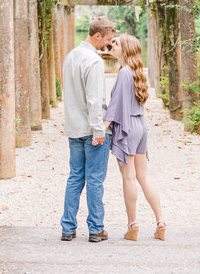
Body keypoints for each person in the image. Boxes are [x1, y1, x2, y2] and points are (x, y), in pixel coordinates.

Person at [103, 33, 165, 241]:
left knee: (129, 177)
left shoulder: (124, 73)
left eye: (117, 43)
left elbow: (115, 106)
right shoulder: (136, 72)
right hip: (140, 126)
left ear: (126, 49)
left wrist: (102, 128)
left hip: (128, 128)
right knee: (144, 176)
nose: (112, 44)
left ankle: (133, 225)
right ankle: (160, 222)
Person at [60, 16, 116, 243]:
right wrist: (99, 131)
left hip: (74, 128)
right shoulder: (93, 61)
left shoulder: (71, 56)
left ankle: (67, 228)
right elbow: (94, 101)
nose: (109, 45)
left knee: (75, 177)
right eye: (108, 40)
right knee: (94, 179)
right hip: (91, 130)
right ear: (97, 35)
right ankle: (96, 229)